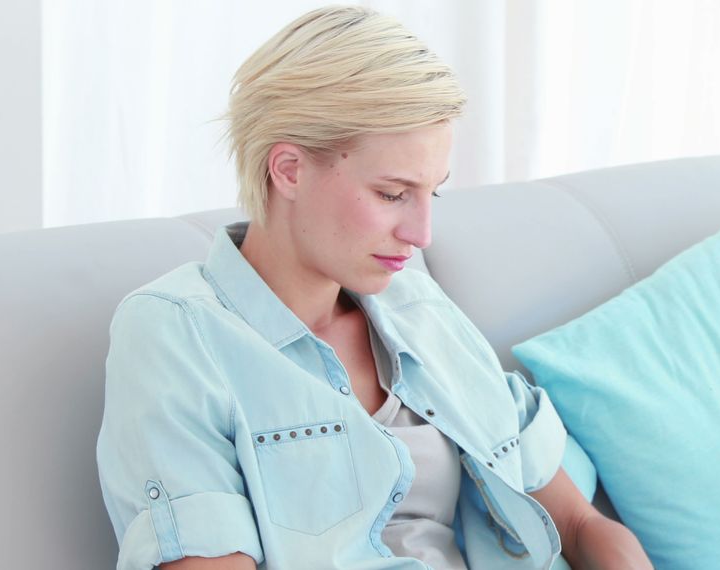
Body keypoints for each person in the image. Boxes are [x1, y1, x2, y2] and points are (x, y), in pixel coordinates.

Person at [96, 5, 653, 569]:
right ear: (288, 169)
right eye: (392, 193)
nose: (421, 234)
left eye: (430, 193)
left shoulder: (419, 308)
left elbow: (580, 525)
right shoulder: (177, 333)